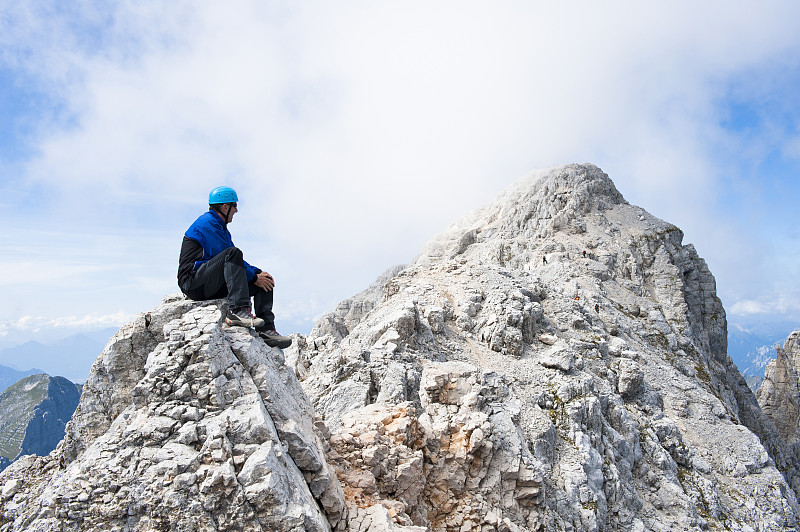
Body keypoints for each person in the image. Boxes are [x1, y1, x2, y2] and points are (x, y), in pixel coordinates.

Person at [178, 186, 292, 349]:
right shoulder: (207, 224)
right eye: (234, 206)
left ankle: (266, 330)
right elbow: (229, 256)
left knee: (264, 281)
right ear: (225, 207)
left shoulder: (220, 227)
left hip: (209, 281)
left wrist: (258, 274)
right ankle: (238, 310)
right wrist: (253, 276)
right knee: (234, 254)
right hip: (193, 283)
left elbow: (235, 262)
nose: (236, 211)